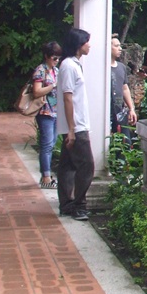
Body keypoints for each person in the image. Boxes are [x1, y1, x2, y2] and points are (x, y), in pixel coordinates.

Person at [56, 28, 93, 221]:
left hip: (77, 125)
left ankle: (67, 204)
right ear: (79, 45)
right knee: (86, 166)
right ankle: (79, 206)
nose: (89, 45)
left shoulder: (72, 65)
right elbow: (68, 98)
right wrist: (71, 129)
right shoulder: (69, 66)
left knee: (67, 165)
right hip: (76, 126)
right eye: (86, 41)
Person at [32, 41, 62, 188]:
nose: (56, 60)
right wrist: (53, 86)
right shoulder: (41, 70)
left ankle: (47, 176)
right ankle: (46, 177)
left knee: (52, 143)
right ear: (46, 56)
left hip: (56, 111)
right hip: (45, 111)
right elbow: (36, 92)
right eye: (54, 58)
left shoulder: (56, 71)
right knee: (47, 145)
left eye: (58, 58)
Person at [110, 35, 138, 145]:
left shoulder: (121, 67)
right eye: (116, 46)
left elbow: (125, 88)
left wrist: (131, 108)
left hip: (120, 112)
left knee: (126, 143)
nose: (120, 49)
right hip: (107, 113)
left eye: (120, 46)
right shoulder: (103, 68)